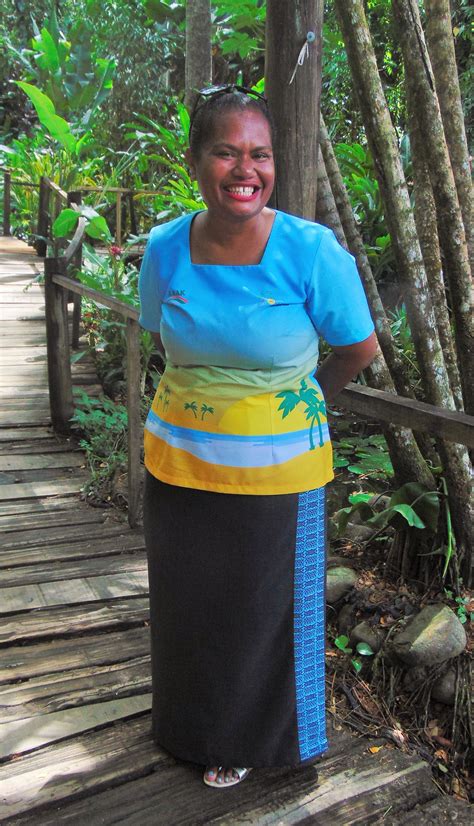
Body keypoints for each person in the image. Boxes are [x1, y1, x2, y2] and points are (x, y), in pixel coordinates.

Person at [138, 86, 377, 789]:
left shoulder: (311, 252)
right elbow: (163, 333)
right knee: (188, 603)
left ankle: (248, 741)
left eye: (260, 154)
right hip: (177, 466)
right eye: (226, 151)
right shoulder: (164, 247)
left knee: (262, 610)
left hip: (278, 477)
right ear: (195, 162)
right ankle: (187, 726)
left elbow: (357, 348)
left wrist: (303, 405)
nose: (246, 169)